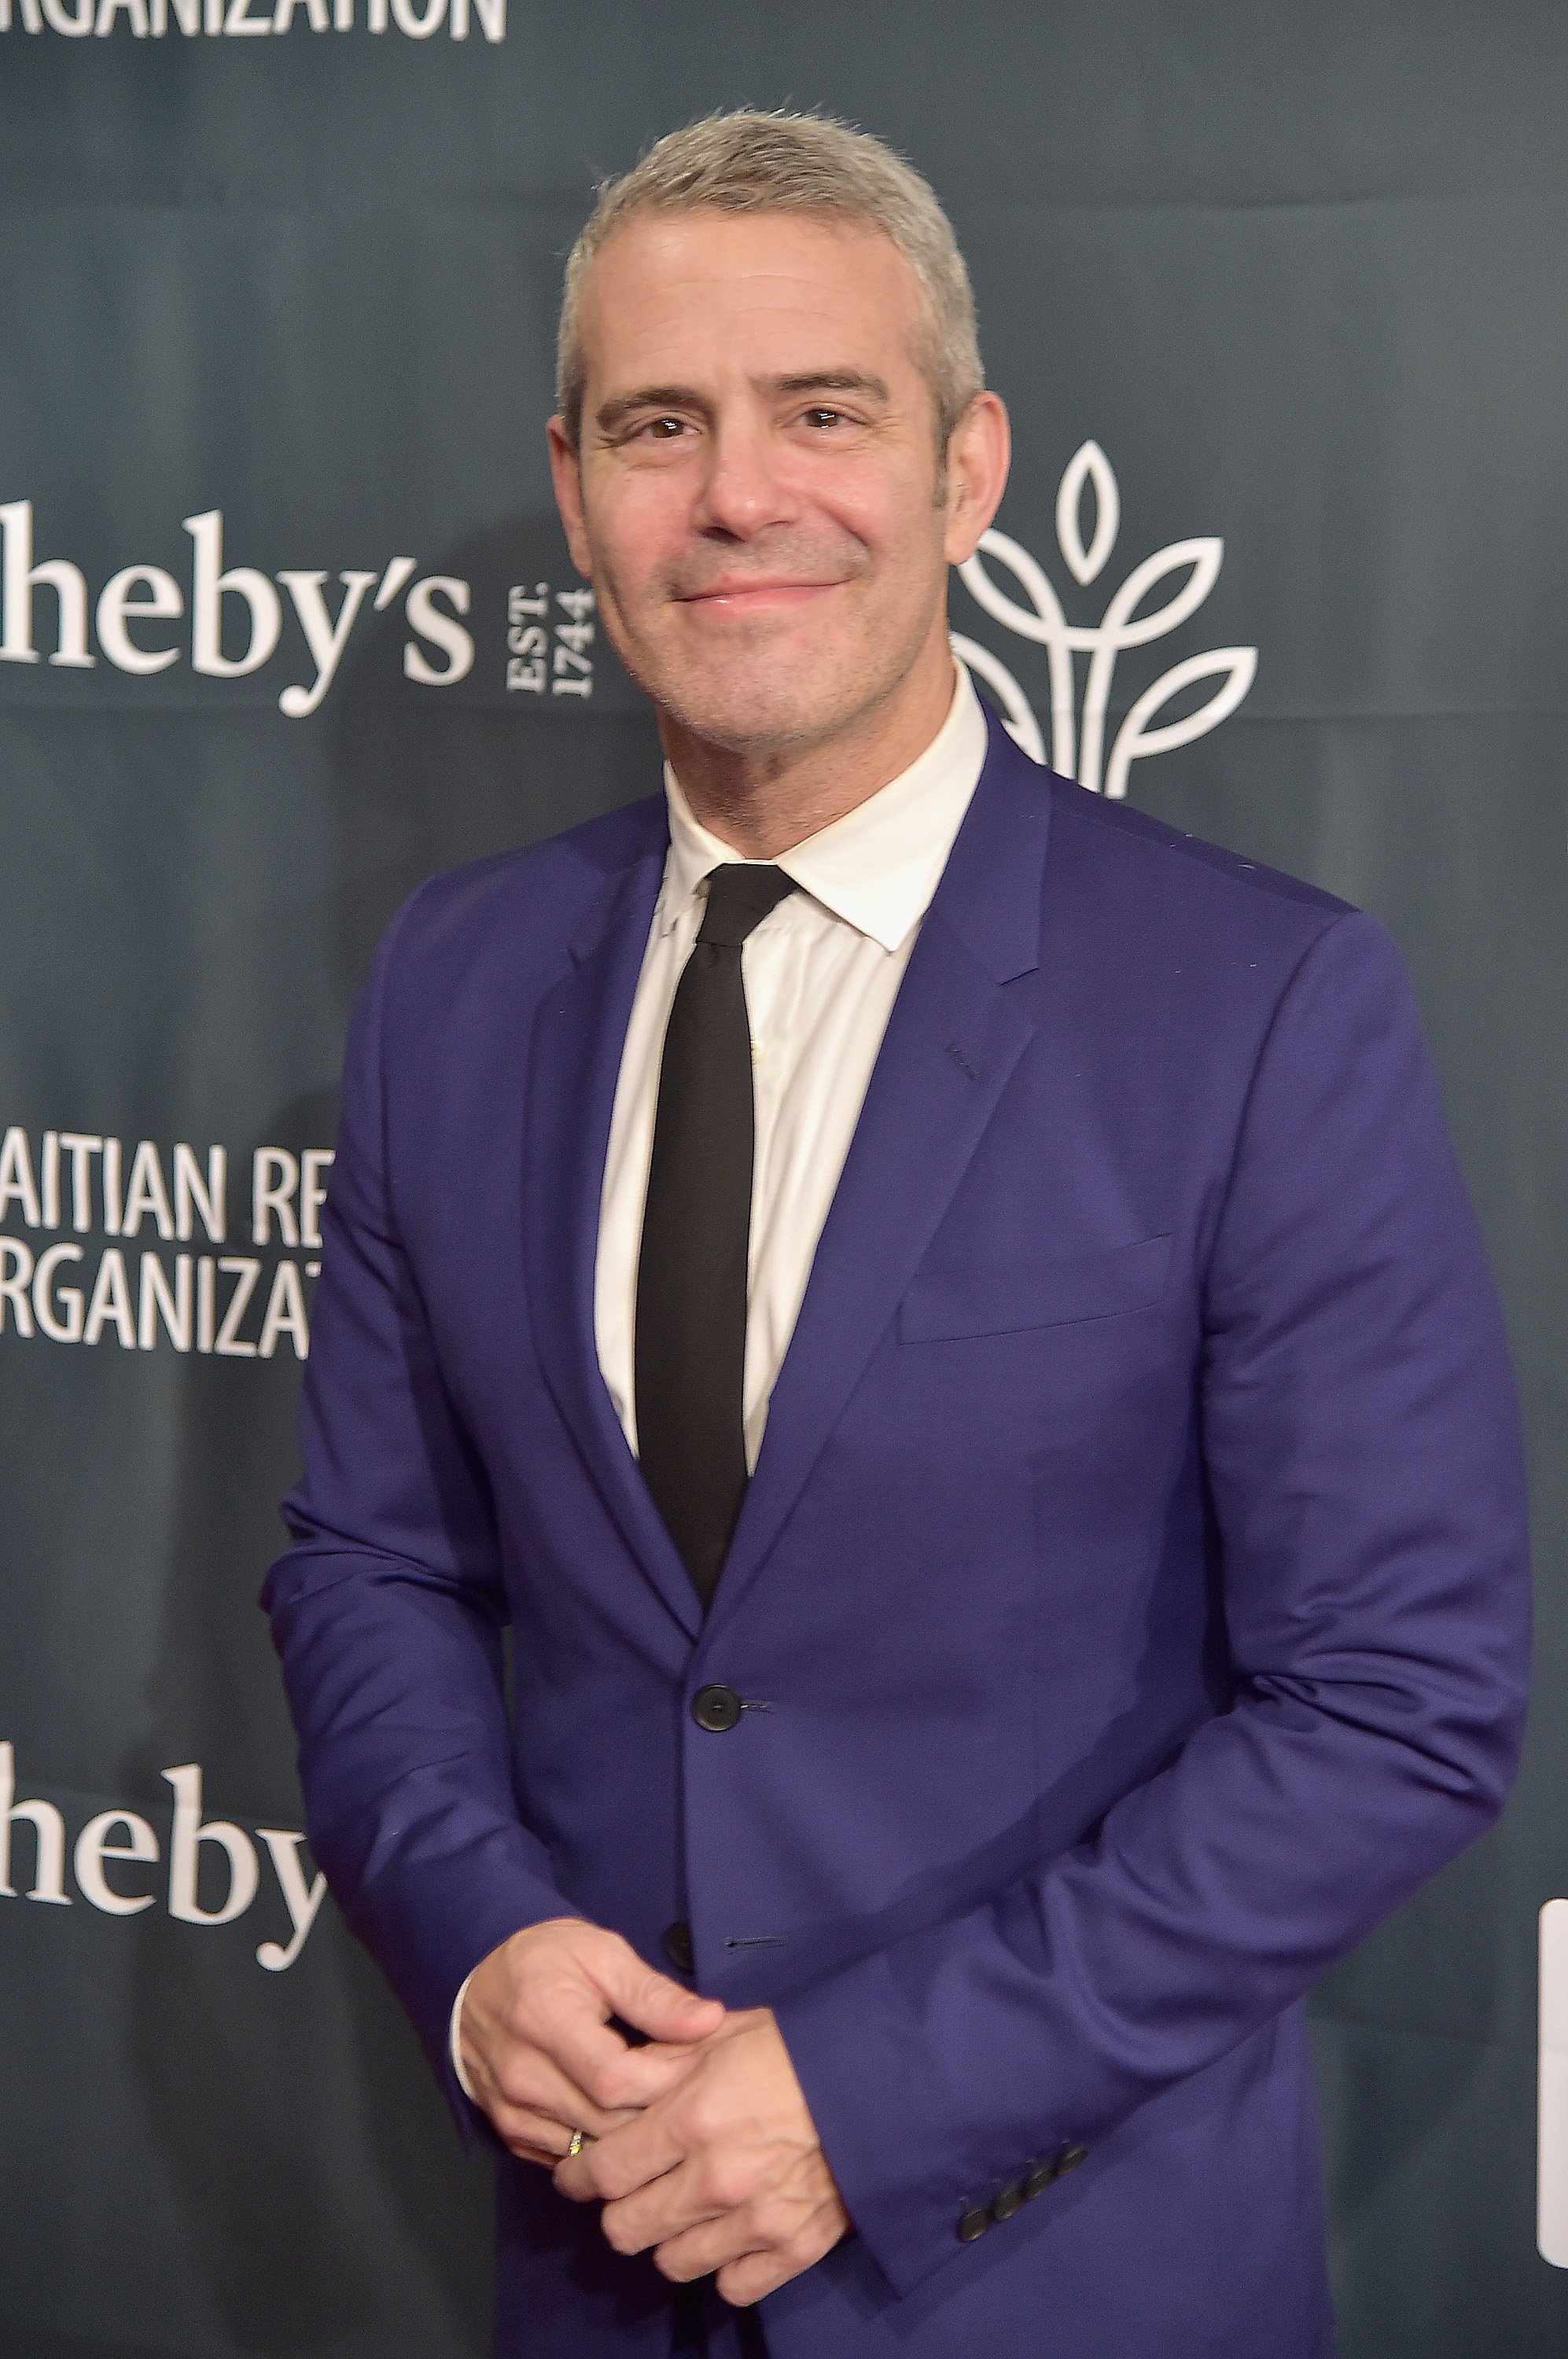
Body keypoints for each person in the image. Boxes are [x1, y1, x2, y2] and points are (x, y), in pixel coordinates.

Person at [263, 109, 1530, 2359]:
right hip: (597, 2267)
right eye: (661, 426)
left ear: (968, 469)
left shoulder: (1251, 1004)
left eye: (820, 413)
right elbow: (368, 1558)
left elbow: (1391, 1706)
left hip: (1059, 2274)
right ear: (573, 489)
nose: (738, 496)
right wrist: (472, 1947)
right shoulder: (453, 980)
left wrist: (869, 2094)